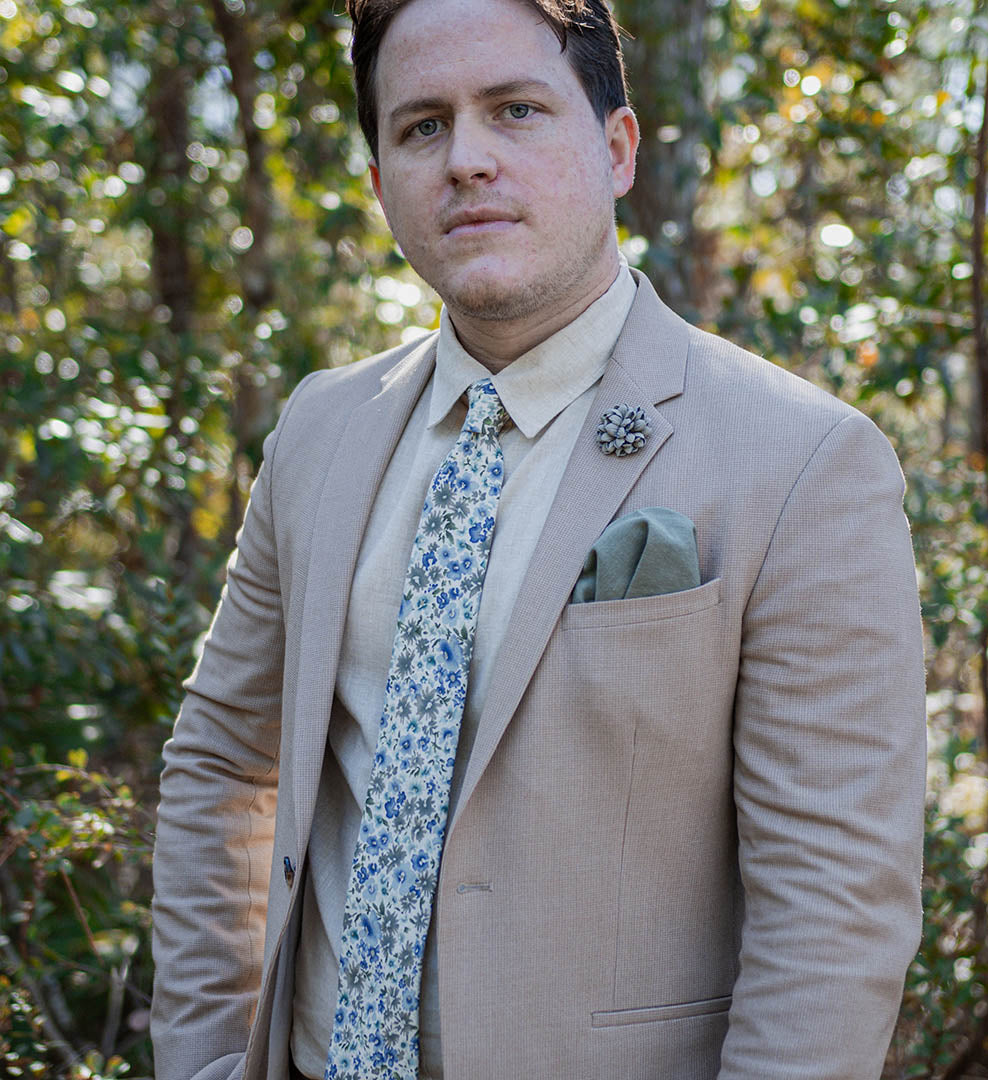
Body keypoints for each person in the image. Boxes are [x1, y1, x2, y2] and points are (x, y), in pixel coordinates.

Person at [150, 0, 927, 1078]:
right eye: (422, 126)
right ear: (380, 182)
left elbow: (833, 910)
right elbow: (224, 761)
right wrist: (200, 1060)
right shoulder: (322, 431)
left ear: (617, 149)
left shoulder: (801, 462)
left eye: (515, 109)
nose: (466, 159)